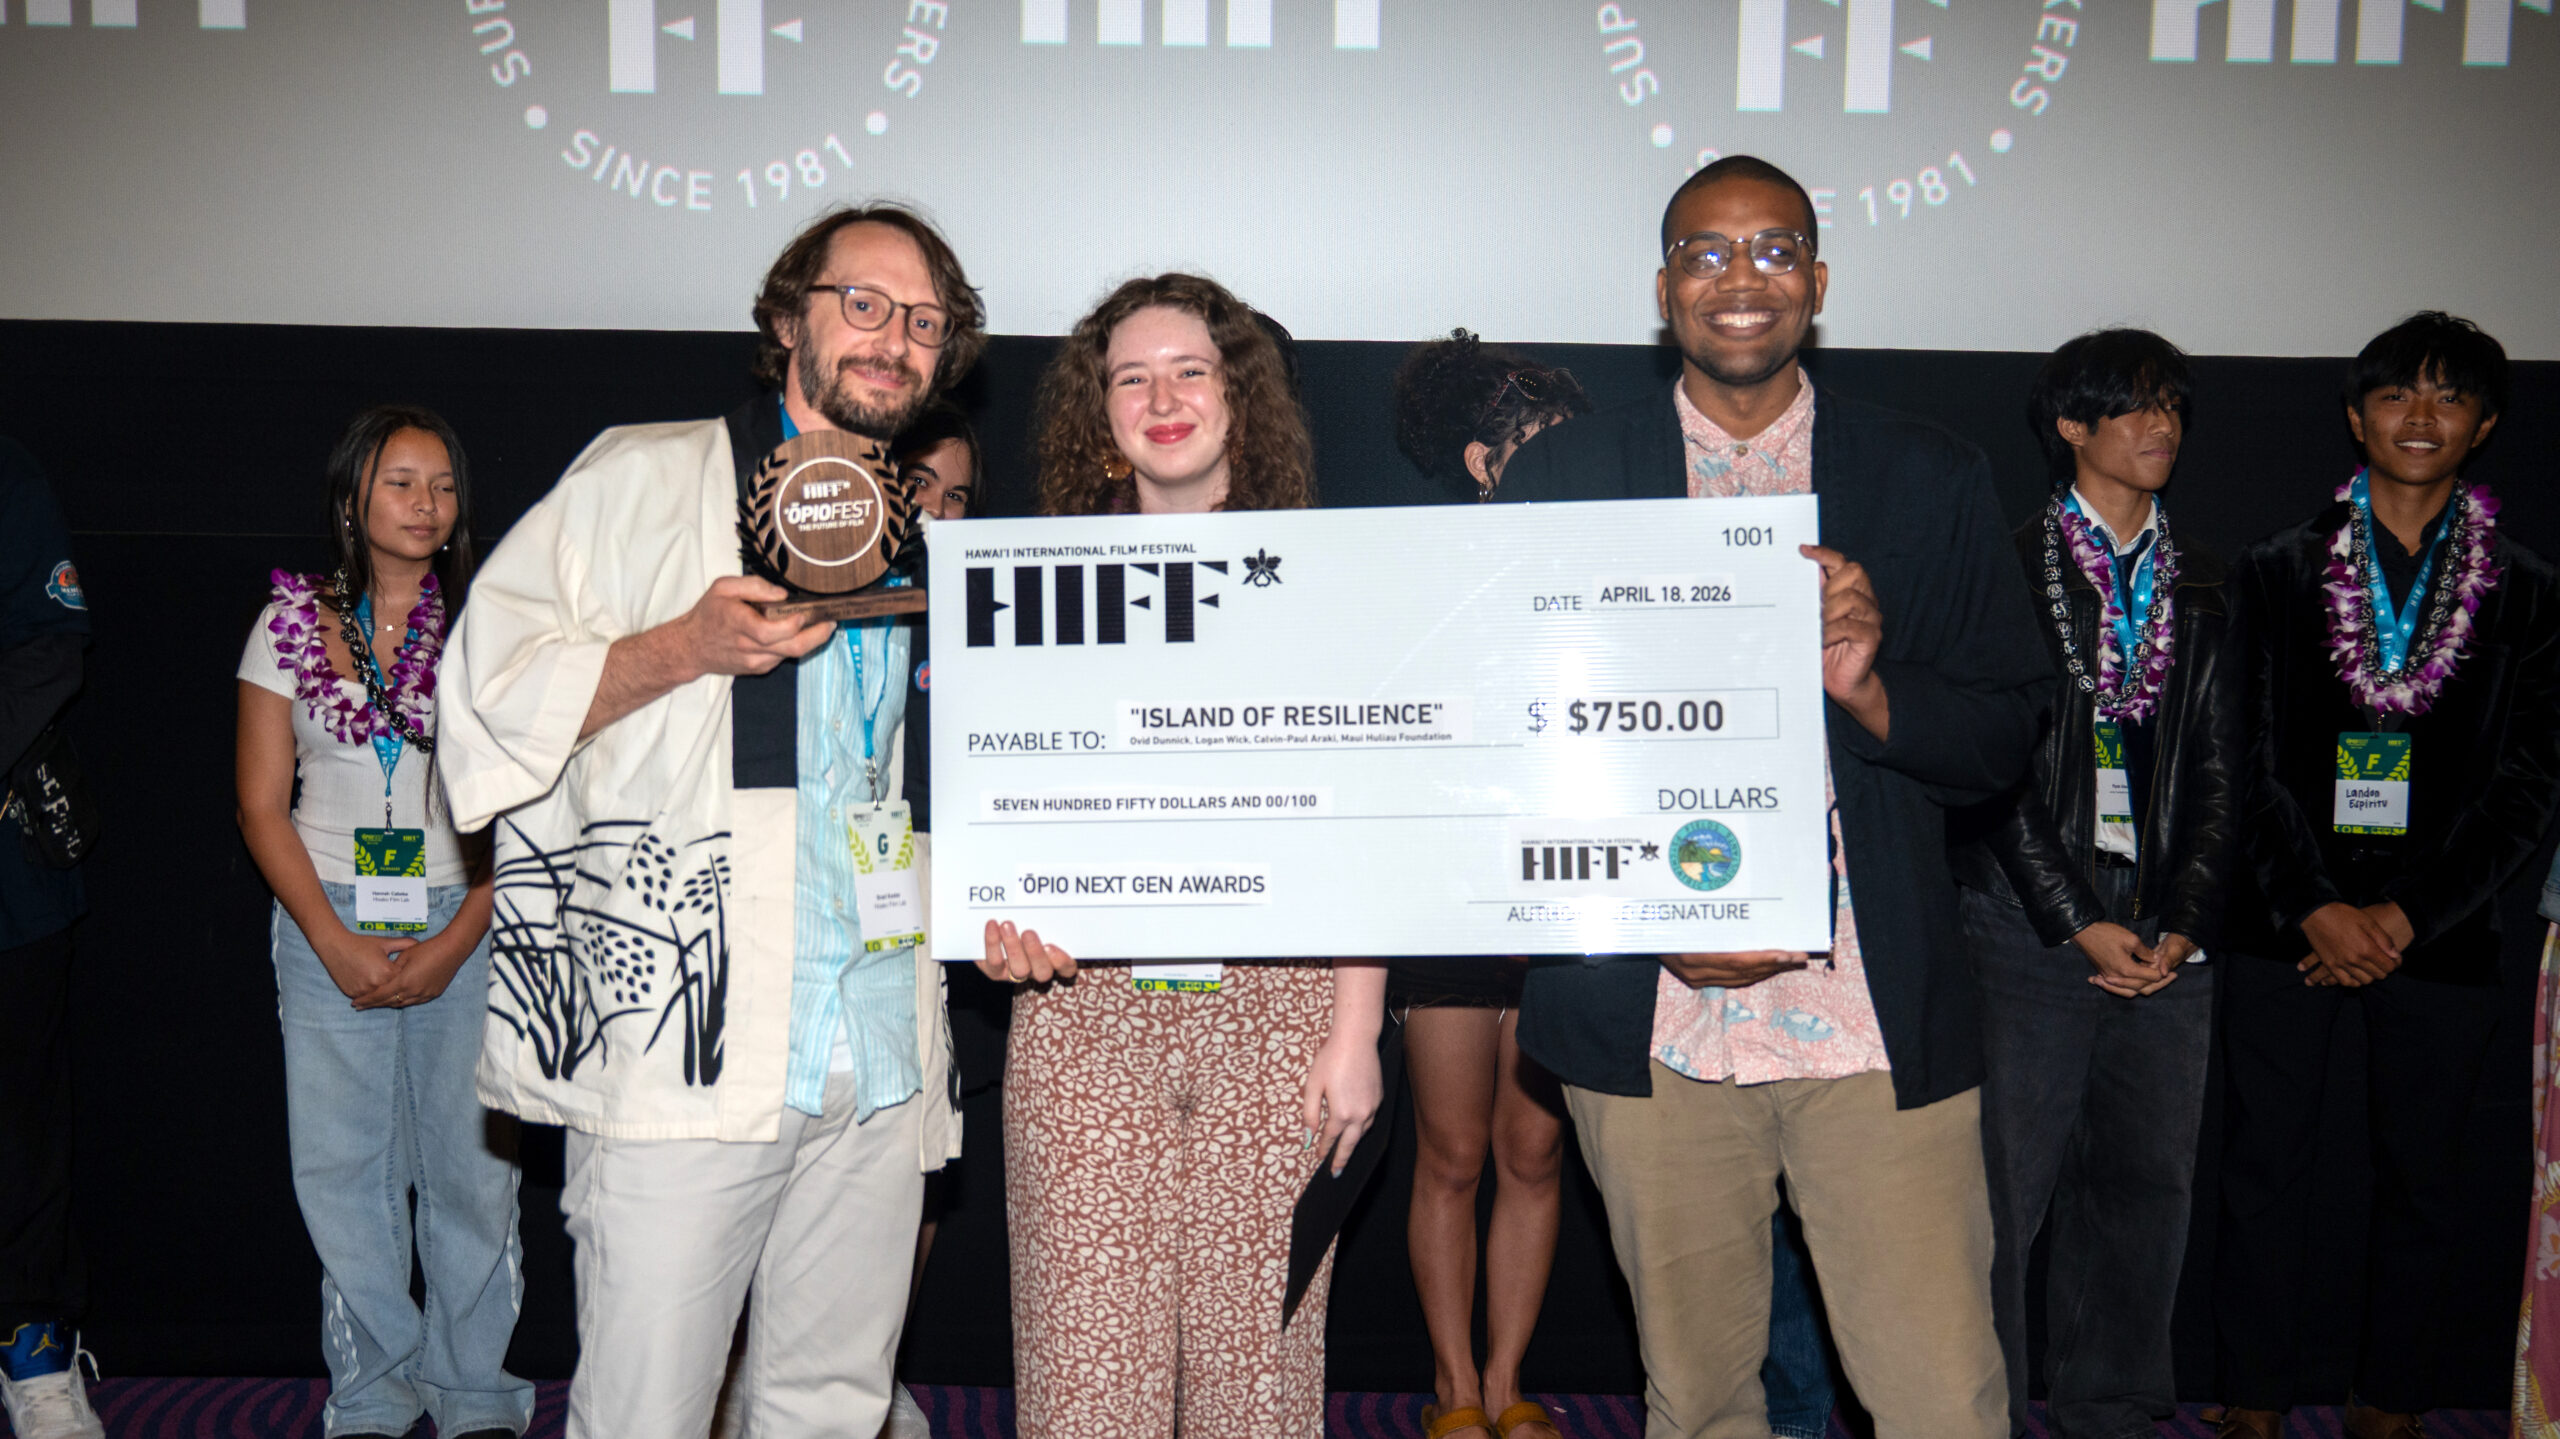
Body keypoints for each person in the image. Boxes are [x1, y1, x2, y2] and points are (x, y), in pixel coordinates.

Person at [1491, 154, 2050, 1438]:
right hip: (1655, 1030)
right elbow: (1502, 752)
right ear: (1662, 290)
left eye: (1772, 249)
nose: (1738, 277)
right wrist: (1644, 916)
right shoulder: (1563, 476)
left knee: (1943, 1402)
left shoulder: (1927, 473)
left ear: (1818, 280)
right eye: (1704, 252)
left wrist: (1870, 689)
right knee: (1697, 1404)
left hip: (1869, 1025)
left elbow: (2004, 730)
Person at [437, 202, 982, 1439]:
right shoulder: (640, 476)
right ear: (789, 316)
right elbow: (479, 697)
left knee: (831, 1406)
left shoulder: (920, 533)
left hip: (874, 1046)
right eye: (863, 303)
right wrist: (682, 645)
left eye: (923, 322)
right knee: (646, 1414)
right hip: (693, 1049)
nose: (892, 338)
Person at [979, 272, 1387, 1439]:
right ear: (1097, 410)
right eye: (1130, 378)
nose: (1161, 401)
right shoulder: (1031, 589)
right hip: (1082, 1017)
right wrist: (995, 927)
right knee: (1083, 1373)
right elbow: (1006, 802)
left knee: (1254, 1379)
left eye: (1189, 371)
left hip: (1279, 1016)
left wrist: (1356, 1027)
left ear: (1239, 395)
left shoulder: (1330, 582)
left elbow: (1367, 812)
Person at [2212, 312, 2560, 1439]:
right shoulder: (2276, 567)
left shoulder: (2528, 588)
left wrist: (2405, 916)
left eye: (2449, 397)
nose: (2421, 416)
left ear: (2485, 425)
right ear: (2356, 417)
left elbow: (2529, 784)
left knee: (2425, 1177)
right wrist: (2315, 905)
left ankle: (2392, 1398)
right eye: (2397, 394)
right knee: (2265, 1165)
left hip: (2443, 933)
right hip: (2286, 922)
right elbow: (2241, 758)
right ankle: (2253, 1392)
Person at [1950, 330, 2238, 1438]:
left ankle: (2112, 1410)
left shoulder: (2204, 576)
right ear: (2072, 427)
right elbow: (1991, 771)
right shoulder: (2007, 563)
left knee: (2146, 1186)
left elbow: (2226, 766)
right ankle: (1977, 1415)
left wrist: (2184, 922)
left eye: (2173, 406)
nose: (2162, 426)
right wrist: (2075, 919)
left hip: (2167, 936)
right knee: (2003, 1192)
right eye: (2134, 407)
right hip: (2027, 929)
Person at [232, 406, 531, 1439]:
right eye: (401, 481)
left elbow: (528, 808)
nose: (426, 503)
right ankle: (372, 1391)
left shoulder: (494, 625)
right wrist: (332, 940)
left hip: (466, 913)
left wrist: (457, 937)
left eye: (443, 485)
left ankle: (475, 1388)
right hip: (325, 911)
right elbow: (259, 805)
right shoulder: (285, 624)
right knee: (344, 1168)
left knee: (473, 1168)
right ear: (353, 498)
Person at [1386, 330, 1589, 1439]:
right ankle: (1453, 1386)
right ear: (1484, 461)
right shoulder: (1431, 581)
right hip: (1454, 899)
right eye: (1541, 444)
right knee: (1454, 1151)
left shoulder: (1605, 577)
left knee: (1534, 1150)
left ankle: (1510, 1384)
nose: (1565, 463)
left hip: (1571, 899)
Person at [0, 437, 101, 1439]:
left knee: (20, 1121)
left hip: (8, 881)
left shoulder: (9, 477)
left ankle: (32, 1348)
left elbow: (50, 642)